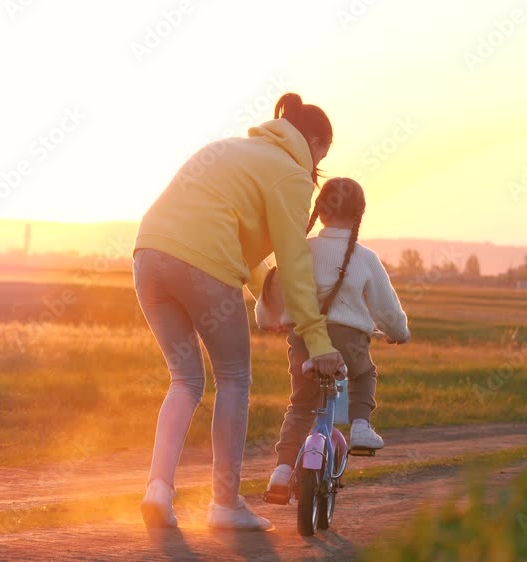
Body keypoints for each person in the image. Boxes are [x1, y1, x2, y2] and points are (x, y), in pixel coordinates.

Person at [133, 93, 346, 530]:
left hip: (148, 254)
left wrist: (261, 297)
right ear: (316, 141)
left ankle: (158, 489)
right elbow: (295, 262)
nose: (321, 162)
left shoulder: (233, 149)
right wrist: (317, 339)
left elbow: (238, 243)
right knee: (233, 378)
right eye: (325, 151)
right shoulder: (291, 175)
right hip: (202, 263)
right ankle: (224, 504)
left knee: (186, 380)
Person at [256, 177, 411, 501]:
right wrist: (399, 333)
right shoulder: (365, 257)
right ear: (360, 214)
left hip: (304, 342)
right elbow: (388, 311)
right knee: (363, 374)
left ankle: (282, 471)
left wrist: (268, 321)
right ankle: (360, 428)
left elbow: (274, 292)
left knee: (300, 405)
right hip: (350, 342)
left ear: (319, 212)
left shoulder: (300, 250)